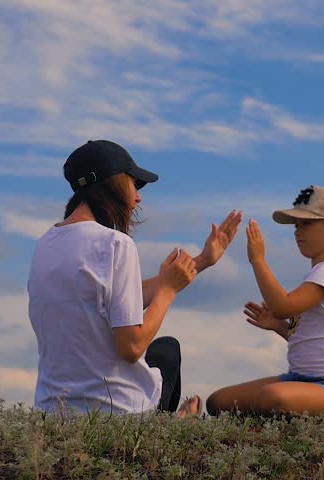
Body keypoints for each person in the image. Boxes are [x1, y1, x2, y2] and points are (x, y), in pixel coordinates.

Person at [28, 139, 242, 416]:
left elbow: (112, 297)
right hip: (117, 411)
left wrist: (201, 261)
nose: (138, 197)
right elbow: (131, 347)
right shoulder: (116, 244)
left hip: (52, 411)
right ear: (113, 183)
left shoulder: (45, 244)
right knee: (166, 351)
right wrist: (167, 291)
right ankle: (167, 423)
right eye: (134, 184)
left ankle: (173, 419)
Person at [206, 185, 324, 416]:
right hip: (300, 379)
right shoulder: (318, 275)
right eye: (296, 225)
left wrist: (258, 261)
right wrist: (278, 326)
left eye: (306, 224)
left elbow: (282, 306)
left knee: (270, 398)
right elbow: (302, 334)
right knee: (218, 402)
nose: (297, 231)